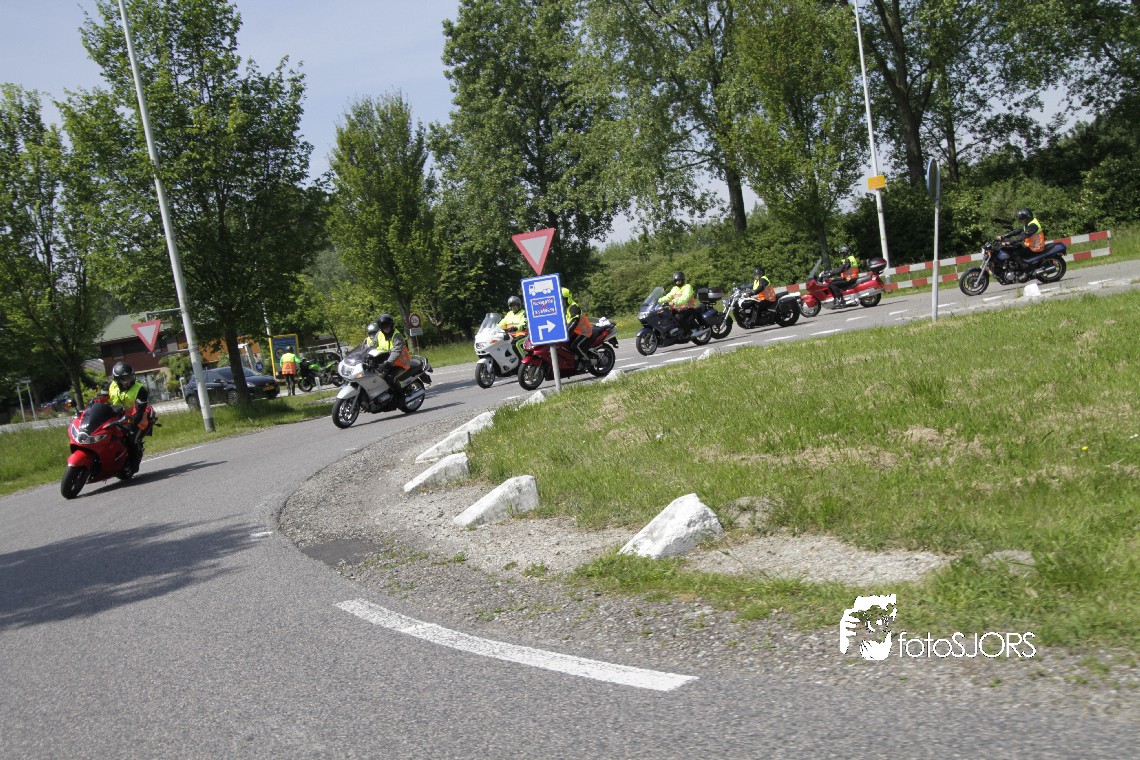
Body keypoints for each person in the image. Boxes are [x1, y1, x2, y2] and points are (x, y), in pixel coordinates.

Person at [97, 362, 151, 475]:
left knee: (131, 438)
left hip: (137, 419)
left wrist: (131, 422)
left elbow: (139, 411)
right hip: (116, 417)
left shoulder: (140, 390)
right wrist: (90, 408)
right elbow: (99, 400)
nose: (128, 381)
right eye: (124, 379)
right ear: (117, 379)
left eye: (130, 377)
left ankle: (133, 465)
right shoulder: (110, 386)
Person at [368, 313, 411, 385]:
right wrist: (363, 353)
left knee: (390, 379)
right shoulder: (379, 334)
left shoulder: (397, 335)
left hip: (400, 363)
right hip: (386, 362)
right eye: (384, 326)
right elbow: (371, 345)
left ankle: (399, 392)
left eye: (388, 325)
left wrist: (388, 362)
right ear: (381, 327)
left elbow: (396, 351)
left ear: (391, 325)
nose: (386, 328)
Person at [561, 287, 593, 369]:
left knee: (575, 346)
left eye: (562, 299)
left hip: (584, 332)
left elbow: (574, 322)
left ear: (567, 299)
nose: (560, 302)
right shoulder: (565, 309)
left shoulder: (574, 308)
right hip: (576, 332)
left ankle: (587, 360)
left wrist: (566, 333)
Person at [657, 271, 696, 335]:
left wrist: (674, 302)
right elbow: (668, 296)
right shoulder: (675, 288)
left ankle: (688, 333)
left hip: (688, 308)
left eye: (679, 281)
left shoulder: (688, 287)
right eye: (676, 281)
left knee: (678, 317)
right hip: (678, 309)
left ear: (682, 280)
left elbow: (685, 298)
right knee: (664, 315)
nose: (677, 282)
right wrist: (658, 301)